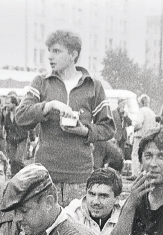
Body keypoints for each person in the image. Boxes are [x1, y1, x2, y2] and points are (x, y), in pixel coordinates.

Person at [14, 29, 114, 204]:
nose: (50, 57)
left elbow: (108, 127)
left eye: (57, 51)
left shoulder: (93, 85)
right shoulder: (41, 82)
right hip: (45, 175)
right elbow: (21, 116)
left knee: (76, 229)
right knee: (47, 229)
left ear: (73, 54)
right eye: (49, 51)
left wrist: (84, 131)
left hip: (80, 176)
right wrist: (49, 105)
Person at [63, 167, 122, 235]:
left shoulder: (123, 215)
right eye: (92, 194)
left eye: (103, 196)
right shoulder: (74, 212)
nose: (95, 202)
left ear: (116, 199)